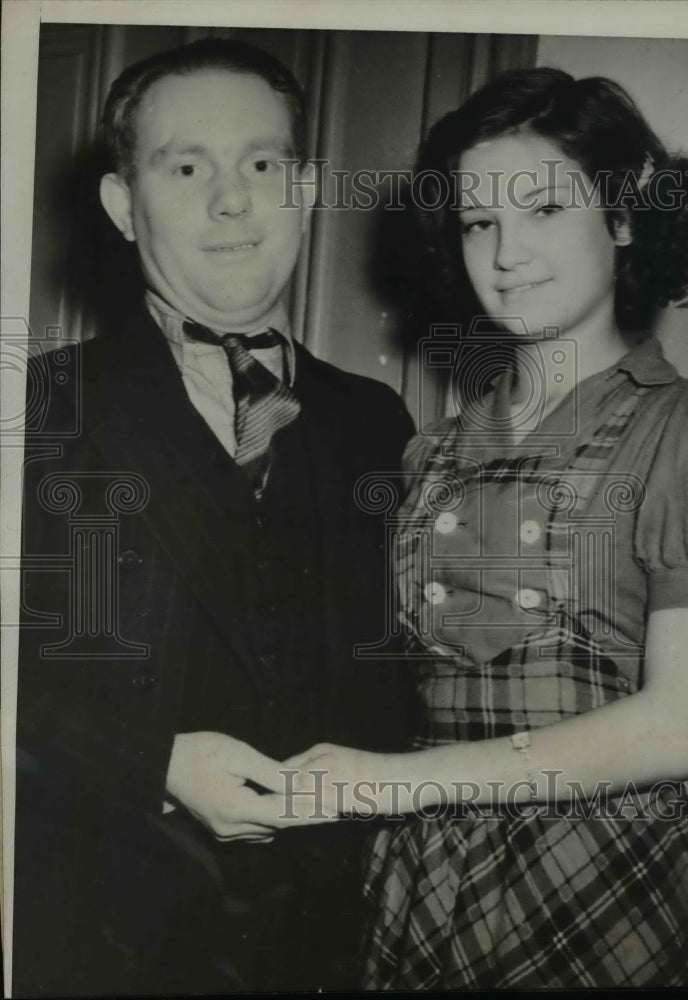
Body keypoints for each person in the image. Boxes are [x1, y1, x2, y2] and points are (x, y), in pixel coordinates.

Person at [286, 68, 688, 988]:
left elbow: (685, 724)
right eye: (480, 222)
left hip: (593, 883)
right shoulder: (428, 452)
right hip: (418, 879)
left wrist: (398, 782)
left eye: (545, 209)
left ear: (623, 218)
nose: (506, 252)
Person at [14, 38, 414, 996]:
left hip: (336, 945)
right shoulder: (35, 410)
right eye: (186, 166)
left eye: (264, 164)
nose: (232, 201)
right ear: (121, 204)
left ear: (307, 190)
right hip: (92, 937)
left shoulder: (378, 421)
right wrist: (147, 762)